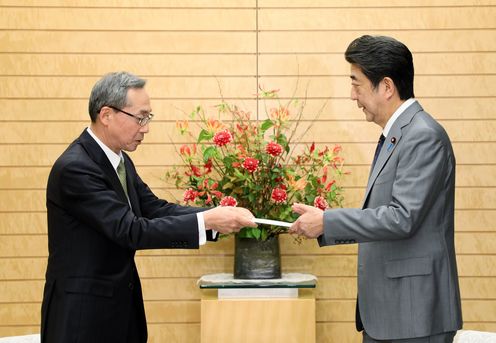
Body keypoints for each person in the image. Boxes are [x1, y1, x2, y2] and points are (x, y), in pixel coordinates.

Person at [40, 71, 257, 343]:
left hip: (119, 313)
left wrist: (213, 215)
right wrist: (208, 221)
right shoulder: (76, 168)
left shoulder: (119, 160)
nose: (145, 127)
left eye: (148, 118)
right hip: (83, 318)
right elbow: (130, 230)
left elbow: (153, 208)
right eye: (140, 117)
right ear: (106, 115)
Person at [289, 35, 462, 342]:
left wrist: (326, 222)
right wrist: (322, 225)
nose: (352, 95)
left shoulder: (423, 136)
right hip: (392, 312)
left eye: (356, 83)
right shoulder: (397, 135)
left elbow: (401, 217)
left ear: (386, 86)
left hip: (415, 315)